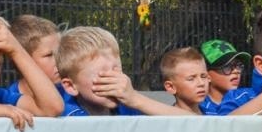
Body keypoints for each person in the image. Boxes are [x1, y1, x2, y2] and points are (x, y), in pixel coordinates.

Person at [56, 27, 187, 116]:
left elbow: (195, 124)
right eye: (102, 74)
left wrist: (136, 99)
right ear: (71, 86)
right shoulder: (62, 114)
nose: (114, 79)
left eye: (116, 69)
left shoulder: (127, 107)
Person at [10, 14, 61, 112]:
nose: (59, 60)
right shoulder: (7, 99)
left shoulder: (73, 92)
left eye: (60, 52)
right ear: (23, 60)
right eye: (49, 55)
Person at [159, 47, 212, 115]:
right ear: (171, 87)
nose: (201, 83)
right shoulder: (167, 121)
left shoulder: (213, 114)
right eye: (191, 79)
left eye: (203, 76)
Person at [200, 39, 249, 113]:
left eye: (238, 65)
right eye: (227, 66)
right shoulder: (199, 108)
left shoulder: (249, 98)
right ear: (206, 75)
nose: (236, 71)